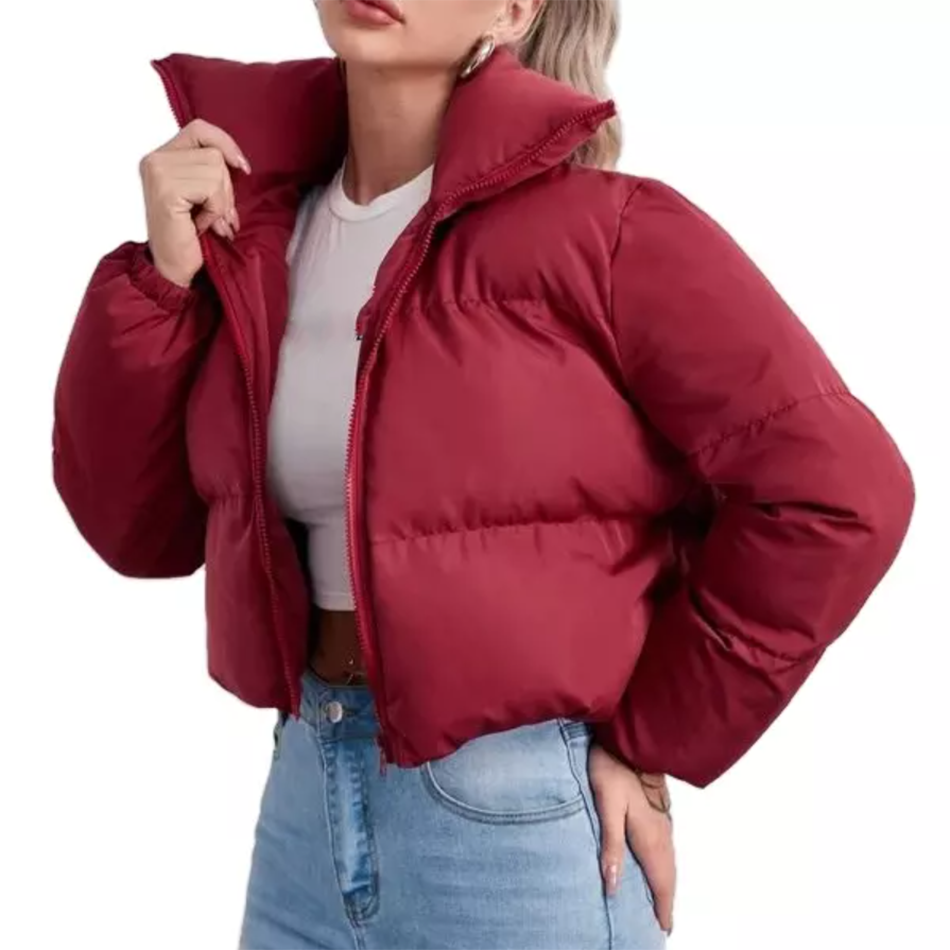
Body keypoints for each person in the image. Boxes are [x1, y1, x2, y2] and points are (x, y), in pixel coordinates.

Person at [52, 0, 915, 947]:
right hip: (305, 796)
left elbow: (843, 490)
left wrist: (655, 736)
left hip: (517, 822)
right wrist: (160, 284)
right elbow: (139, 533)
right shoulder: (252, 230)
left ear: (512, 11)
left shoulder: (608, 233)